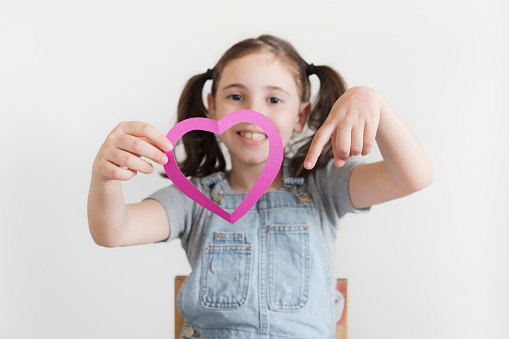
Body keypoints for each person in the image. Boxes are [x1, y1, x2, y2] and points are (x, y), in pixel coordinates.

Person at [87, 34, 432, 339]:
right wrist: (104, 177)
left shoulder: (325, 186)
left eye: (274, 100)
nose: (252, 112)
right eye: (236, 96)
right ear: (212, 108)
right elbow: (113, 232)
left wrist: (376, 104)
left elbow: (413, 177)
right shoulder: (192, 199)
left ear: (301, 115)